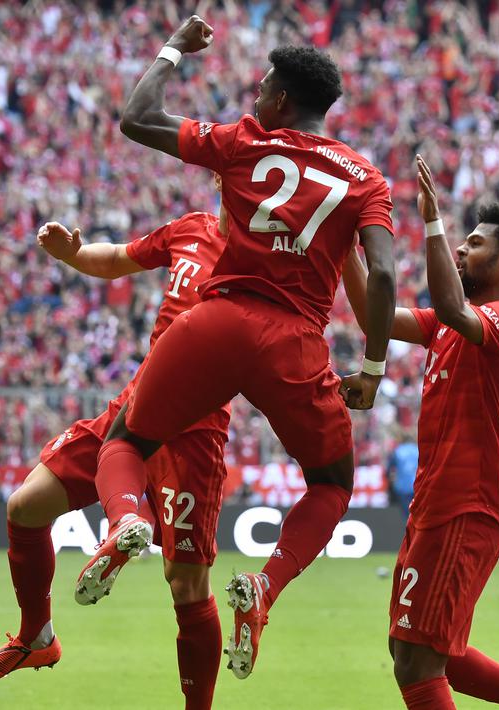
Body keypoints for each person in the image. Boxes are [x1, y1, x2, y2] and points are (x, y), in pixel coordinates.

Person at [94, 16, 397, 681]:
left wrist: (175, 47)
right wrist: (372, 369)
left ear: (280, 100)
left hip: (217, 319)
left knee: (124, 441)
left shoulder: (242, 142)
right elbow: (383, 273)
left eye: (262, 87)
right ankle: (265, 586)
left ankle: (121, 523)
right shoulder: (365, 178)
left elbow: (136, 117)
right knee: (331, 483)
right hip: (294, 343)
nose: (254, 96)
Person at [344, 155, 499, 710]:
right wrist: (342, 251)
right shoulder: (453, 326)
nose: (460, 248)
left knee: (417, 658)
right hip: (439, 498)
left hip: (467, 501)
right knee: (419, 646)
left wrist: (432, 220)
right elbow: (373, 316)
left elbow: (451, 304)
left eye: (472, 243)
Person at [0, 212, 231, 710]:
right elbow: (115, 258)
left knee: (188, 587)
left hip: (194, 433)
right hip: (136, 405)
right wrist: (72, 255)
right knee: (25, 506)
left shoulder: (270, 260)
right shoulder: (191, 228)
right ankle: (36, 639)